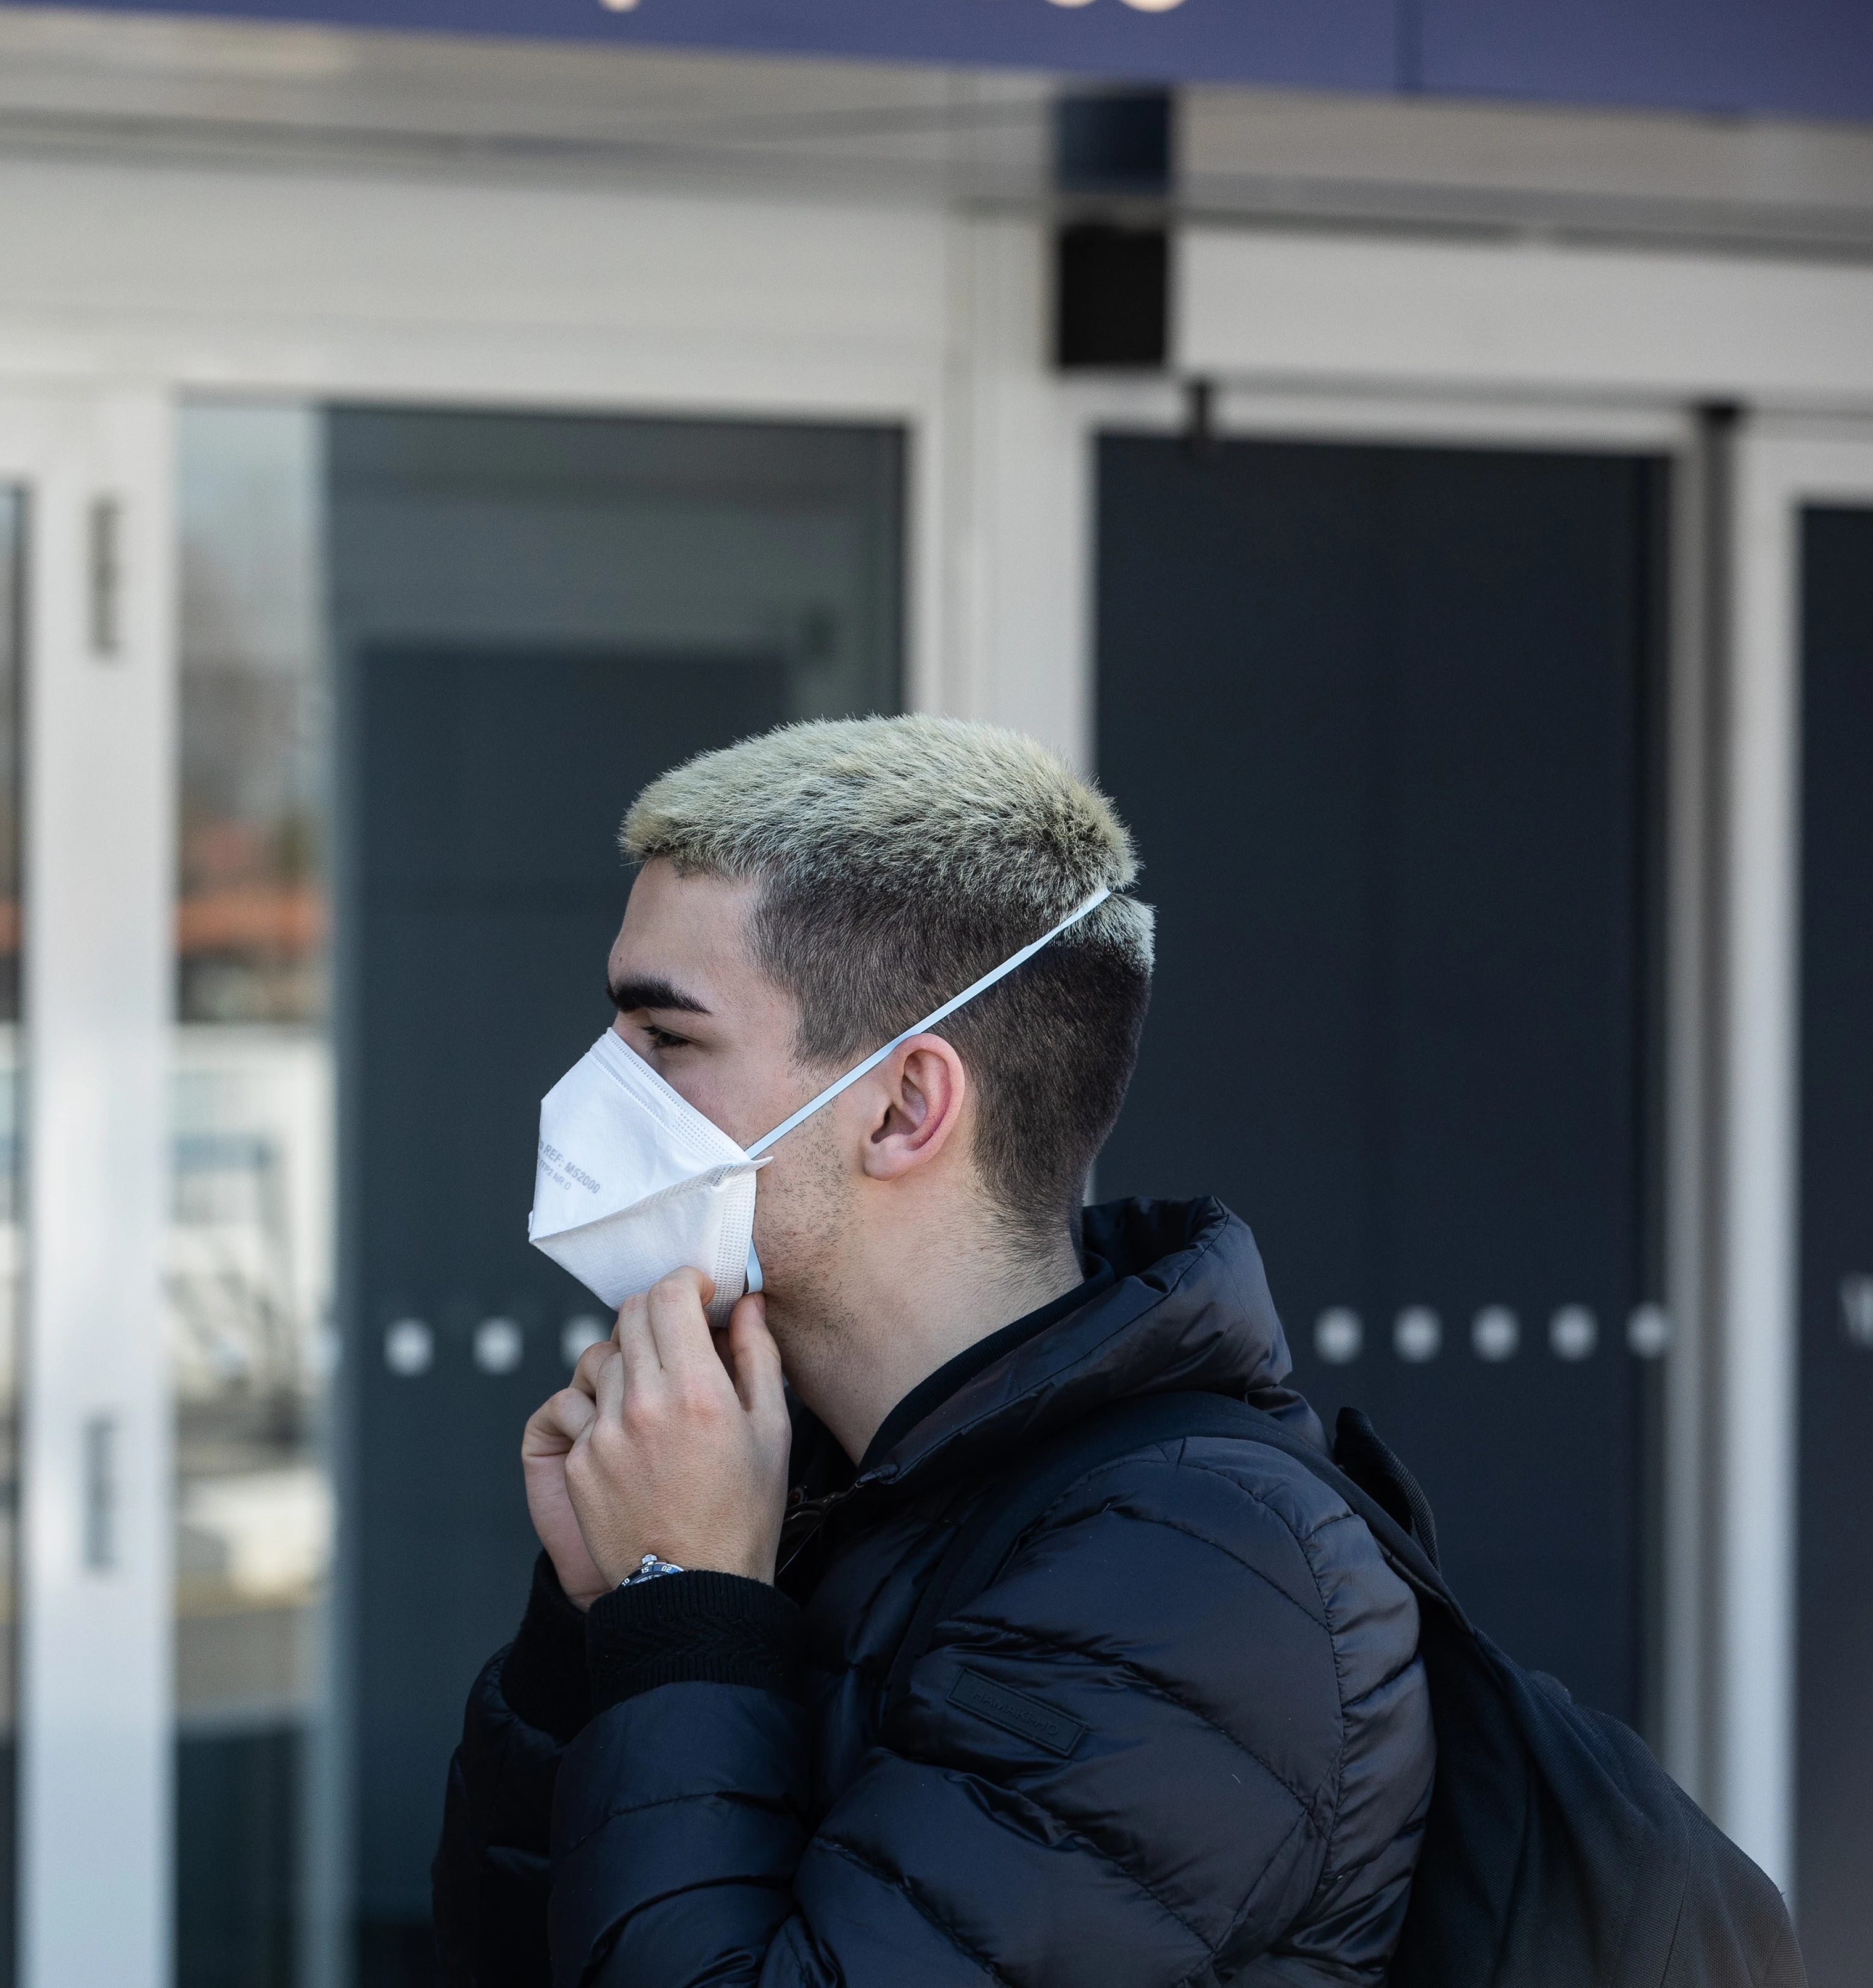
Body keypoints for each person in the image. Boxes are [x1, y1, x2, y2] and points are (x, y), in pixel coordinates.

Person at [438, 715, 1433, 1986]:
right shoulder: (796, 1478)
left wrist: (682, 1611)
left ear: (909, 1107)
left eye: (668, 1038)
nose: (596, 1089)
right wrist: (602, 1624)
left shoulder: (1193, 1577)